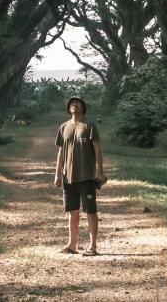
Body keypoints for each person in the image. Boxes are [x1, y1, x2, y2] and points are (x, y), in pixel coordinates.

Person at [53, 95, 107, 256]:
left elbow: (97, 149)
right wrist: (57, 174)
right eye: (72, 103)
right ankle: (72, 244)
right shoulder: (63, 127)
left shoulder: (89, 125)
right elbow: (60, 152)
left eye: (78, 103)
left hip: (87, 176)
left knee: (90, 210)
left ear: (83, 107)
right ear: (68, 108)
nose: (74, 105)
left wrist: (101, 172)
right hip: (68, 177)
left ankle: (93, 246)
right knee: (72, 211)